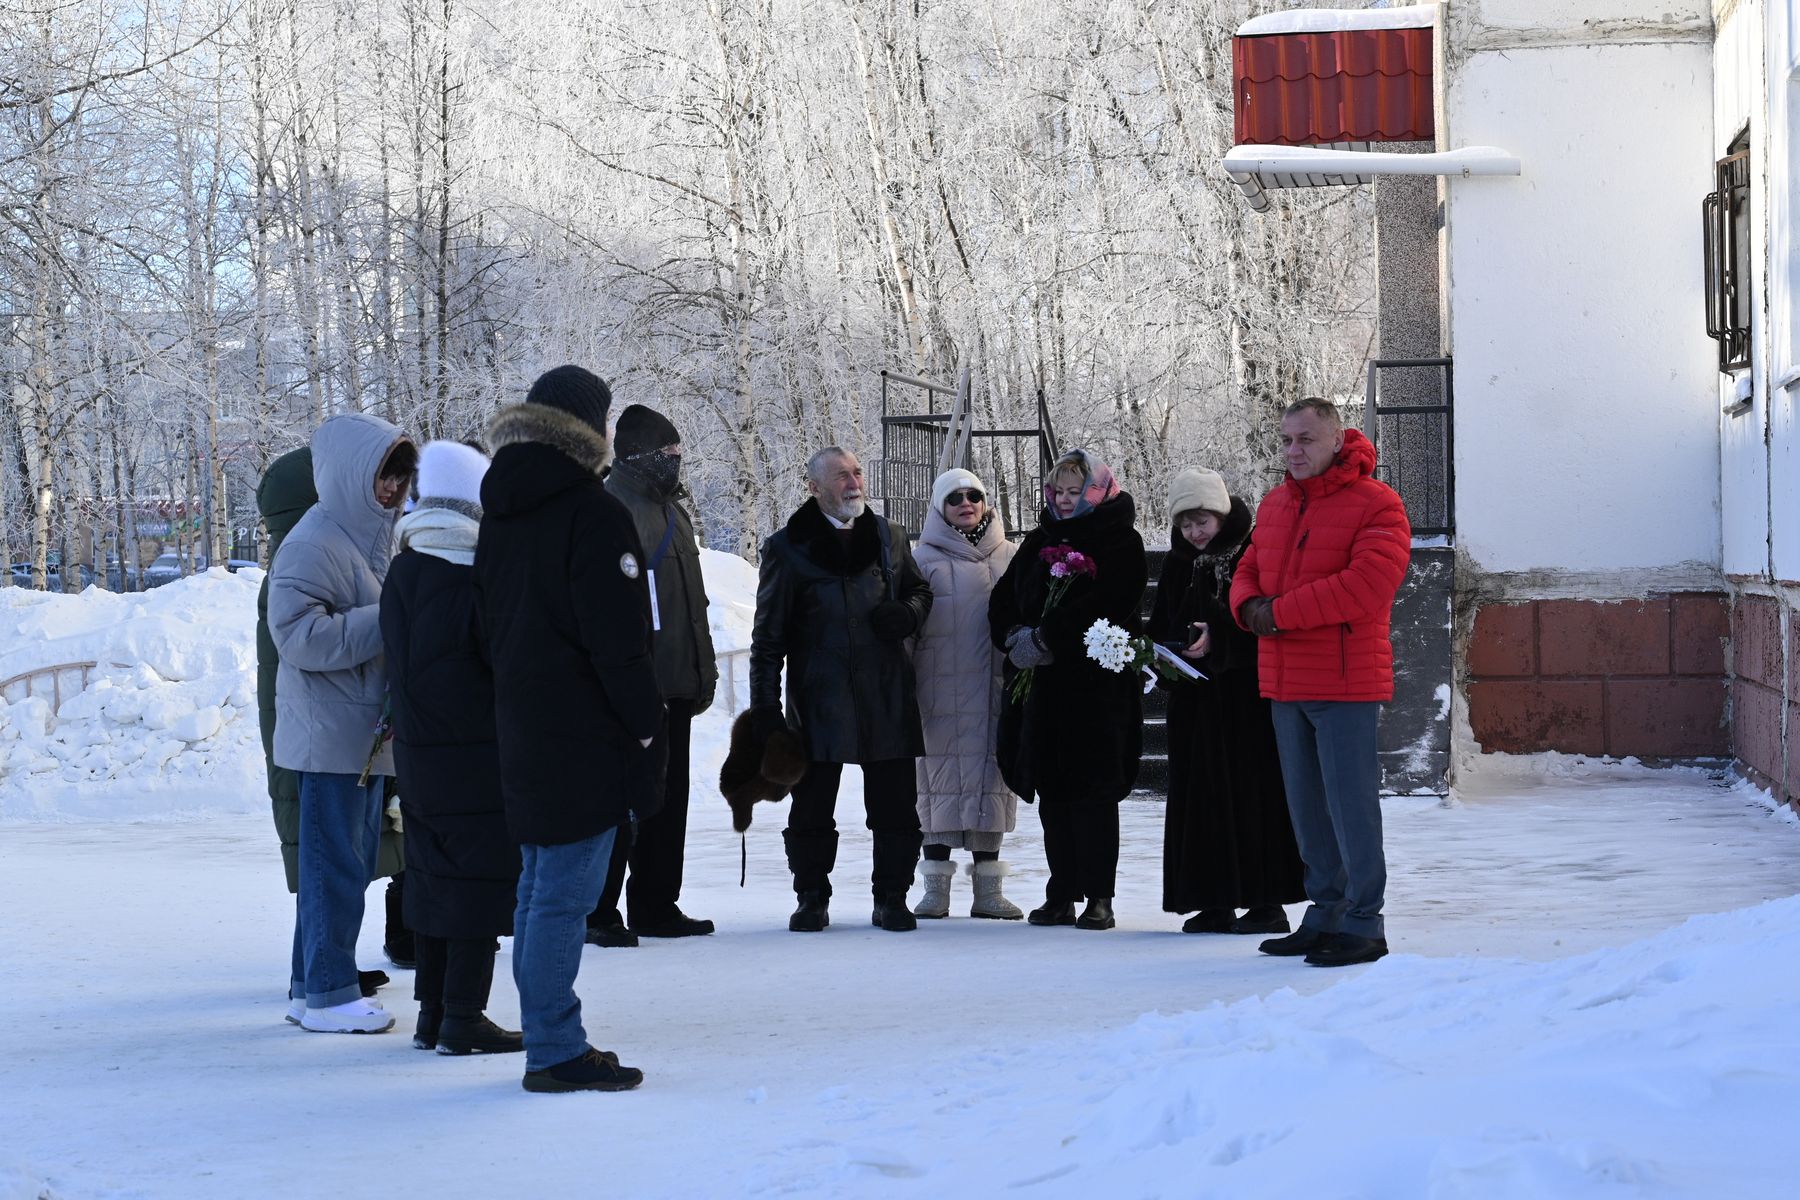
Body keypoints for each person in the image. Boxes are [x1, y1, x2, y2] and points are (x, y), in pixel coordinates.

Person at [476, 365, 661, 1092]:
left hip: (523, 722)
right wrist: (645, 721)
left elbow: (485, 623)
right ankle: (554, 1048)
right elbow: (615, 638)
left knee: (537, 888)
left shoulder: (502, 509)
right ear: (590, 428)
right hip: (585, 734)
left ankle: (548, 1035)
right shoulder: (591, 511)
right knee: (562, 895)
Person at [1230, 398, 1410, 968]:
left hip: (1343, 682)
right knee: (1306, 809)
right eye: (1286, 440)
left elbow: (1366, 585)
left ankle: (1364, 921)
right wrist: (1248, 606)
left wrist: (1276, 613)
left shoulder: (1378, 504)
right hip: (1285, 682)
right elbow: (1247, 570)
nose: (1293, 450)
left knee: (1350, 807)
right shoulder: (1276, 503)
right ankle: (1325, 912)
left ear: (1337, 439)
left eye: (1306, 439)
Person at [268, 413, 416, 1033]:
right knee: (335, 868)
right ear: (353, 475)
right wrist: (386, 619)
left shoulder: (372, 536)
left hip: (357, 733)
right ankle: (330, 992)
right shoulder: (315, 539)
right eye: (383, 475)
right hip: (330, 735)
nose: (393, 489)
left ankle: (311, 985)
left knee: (341, 864)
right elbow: (296, 635)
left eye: (402, 477)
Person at [745, 446, 932, 933]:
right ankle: (811, 895)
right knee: (811, 807)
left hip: (886, 694)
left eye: (857, 472)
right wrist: (765, 709)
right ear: (814, 488)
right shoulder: (787, 548)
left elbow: (919, 591)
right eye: (841, 476)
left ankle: (892, 896)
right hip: (817, 700)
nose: (854, 483)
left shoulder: (889, 537)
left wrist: (908, 613)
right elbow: (767, 639)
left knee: (895, 808)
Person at [380, 440, 524, 1056]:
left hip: (420, 750)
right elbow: (501, 665)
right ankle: (464, 1014)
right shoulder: (470, 574)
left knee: (434, 875)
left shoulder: (407, 566)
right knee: (477, 880)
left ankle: (433, 1011)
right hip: (476, 753)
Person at [988, 448, 1147, 931]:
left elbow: (1113, 602)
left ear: (1097, 491)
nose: (1061, 500)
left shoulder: (1120, 540)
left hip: (1095, 689)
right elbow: (1004, 598)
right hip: (1045, 691)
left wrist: (1049, 637)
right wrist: (1014, 636)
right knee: (1054, 790)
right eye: (1056, 491)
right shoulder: (1041, 540)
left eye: (1073, 492)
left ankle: (1099, 895)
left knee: (1093, 792)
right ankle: (1061, 892)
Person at [1150, 467, 1304, 935]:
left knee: (1253, 796)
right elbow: (1164, 620)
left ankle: (1266, 903)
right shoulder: (1179, 561)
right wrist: (1162, 652)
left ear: (1221, 514)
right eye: (1185, 524)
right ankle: (1211, 899)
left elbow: (1264, 619)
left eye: (1202, 521)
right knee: (1202, 799)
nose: (1194, 533)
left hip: (1244, 700)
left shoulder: (1250, 552)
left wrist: (1221, 639)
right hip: (1196, 701)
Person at [586, 404, 718, 947]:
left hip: (676, 685)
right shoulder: (611, 508)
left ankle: (656, 903)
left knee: (669, 799)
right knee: (621, 800)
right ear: (641, 455)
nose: (677, 462)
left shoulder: (674, 513)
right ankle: (599, 910)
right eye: (669, 454)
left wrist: (700, 673)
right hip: (633, 686)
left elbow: (691, 604)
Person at [908, 467, 1022, 920]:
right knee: (936, 785)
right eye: (954, 497)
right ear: (940, 506)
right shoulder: (920, 560)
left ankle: (988, 890)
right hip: (937, 690)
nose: (965, 504)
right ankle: (935, 887)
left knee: (991, 782)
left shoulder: (1011, 556)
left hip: (994, 688)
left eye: (973, 495)